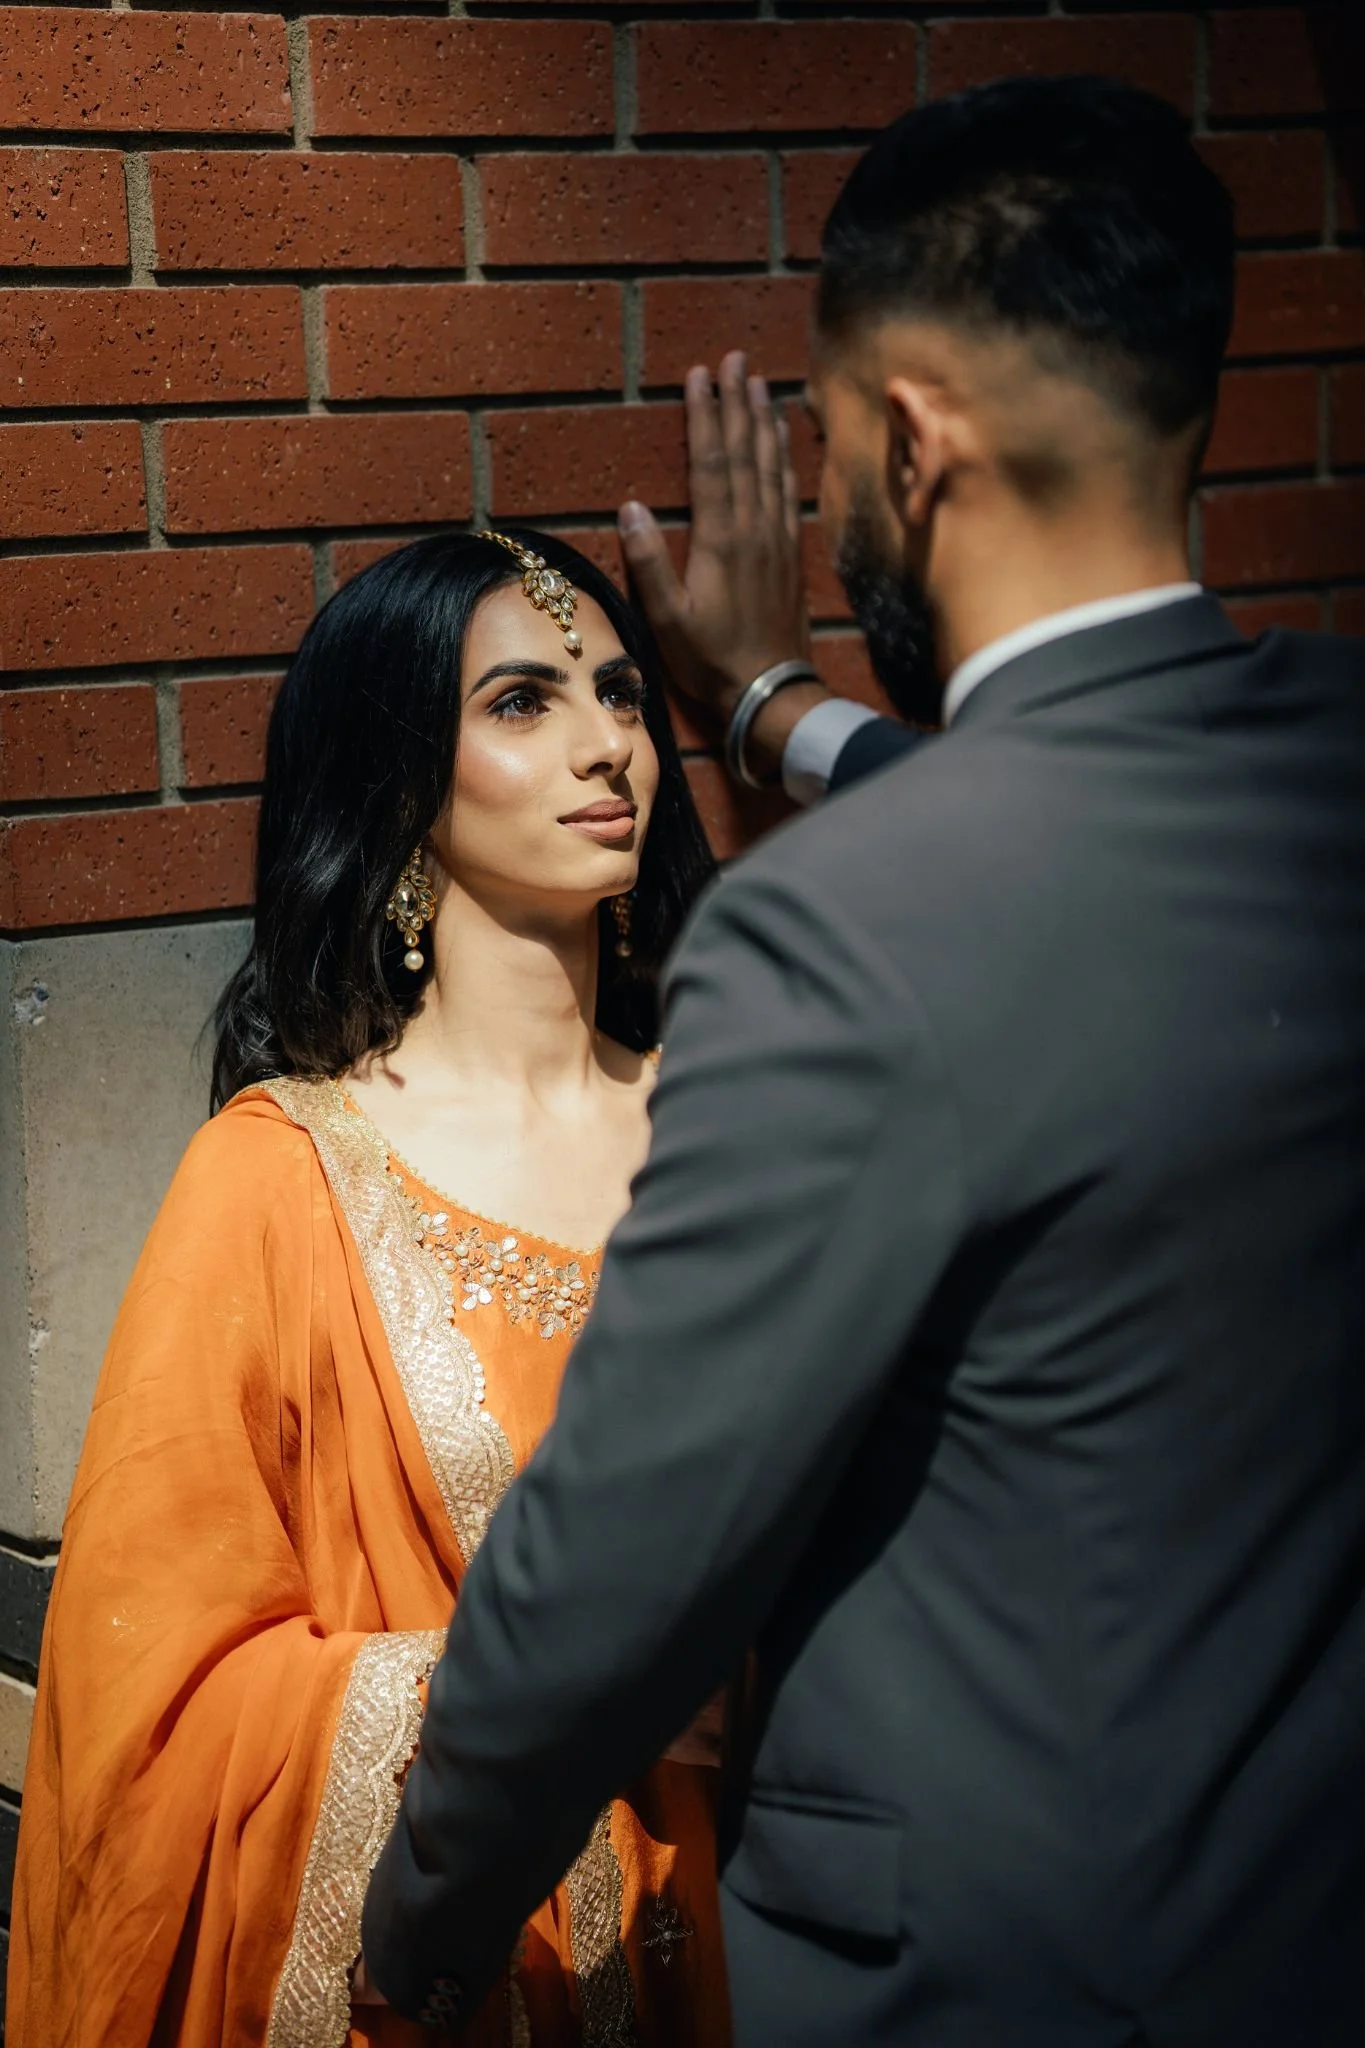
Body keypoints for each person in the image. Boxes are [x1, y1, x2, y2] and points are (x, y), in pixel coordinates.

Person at [360, 76, 1365, 2047]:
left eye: (824, 444)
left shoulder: (834, 936)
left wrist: (414, 1932)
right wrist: (769, 712)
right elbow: (1078, 811)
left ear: (909, 445)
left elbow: (624, 1558)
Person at [7, 529, 732, 2048]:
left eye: (616, 693)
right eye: (523, 704)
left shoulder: (751, 1123)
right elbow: (152, 1711)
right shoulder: (278, 1182)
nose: (609, 746)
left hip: (787, 1928)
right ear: (403, 780)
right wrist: (577, 1694)